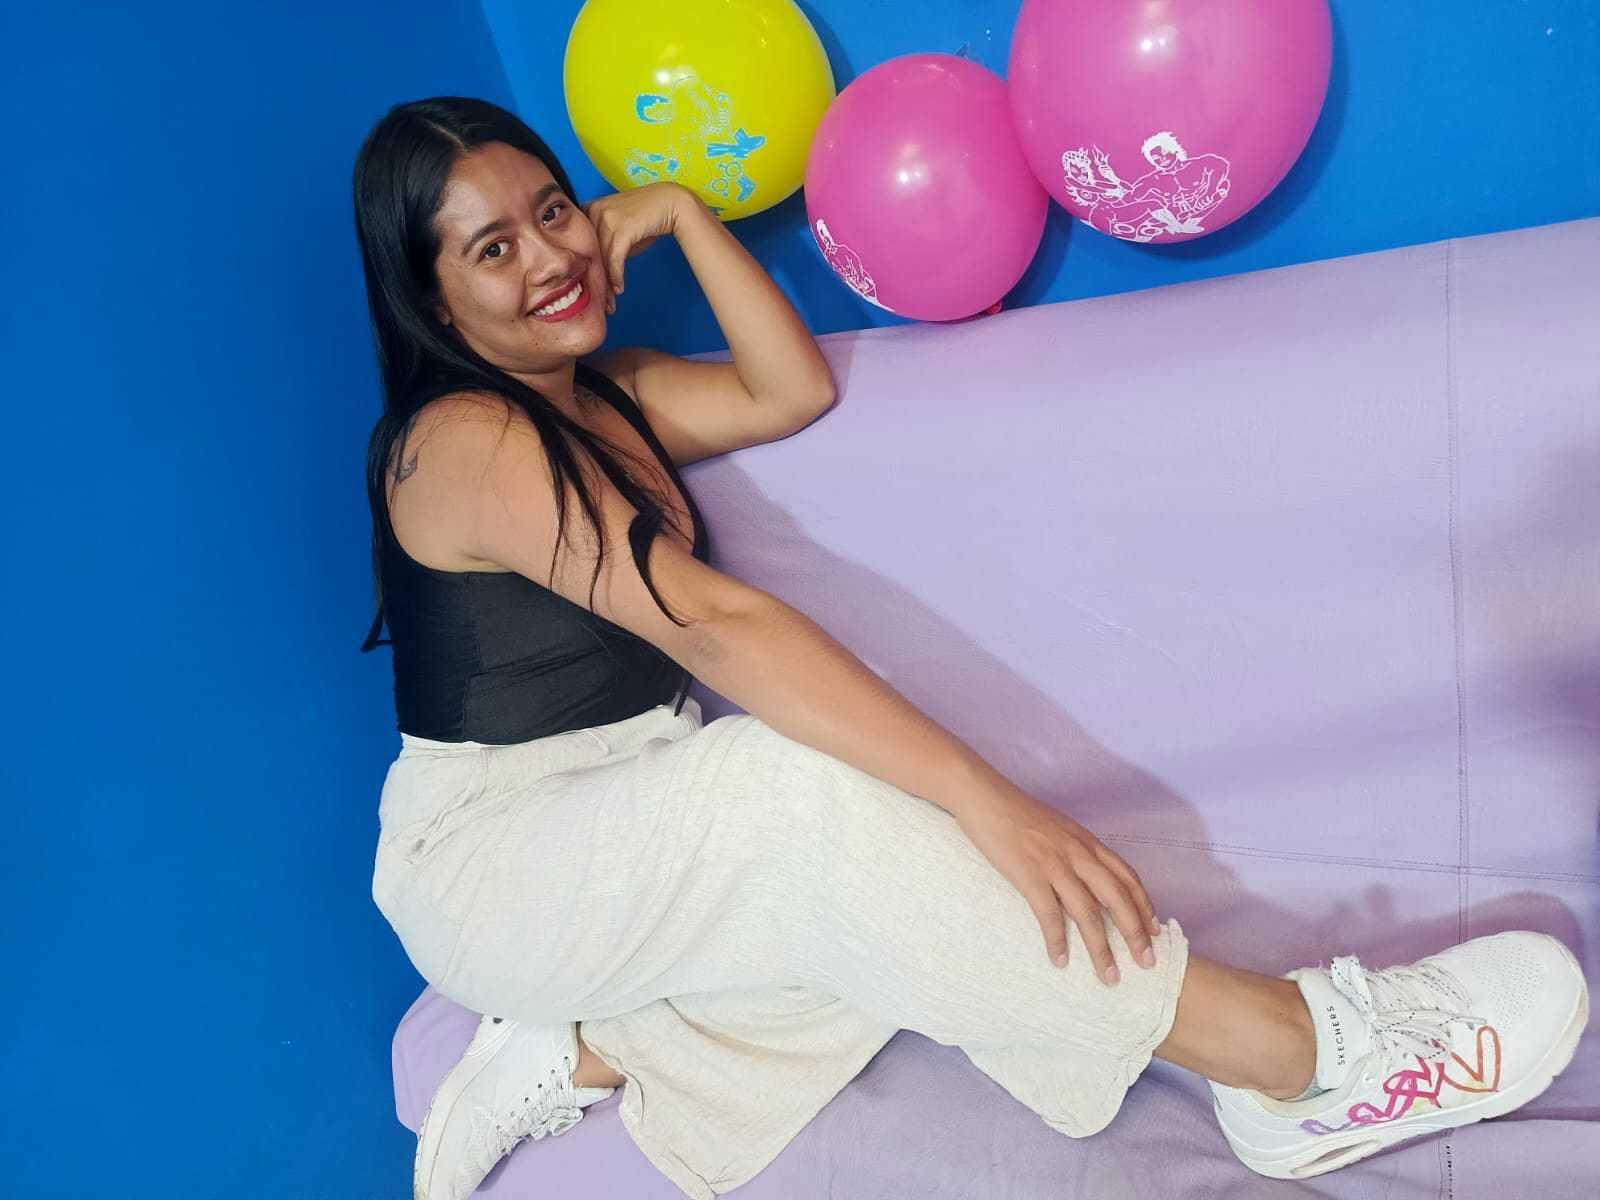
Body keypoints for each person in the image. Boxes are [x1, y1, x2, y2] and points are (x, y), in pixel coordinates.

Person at [351, 97, 1589, 1200]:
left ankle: (579, 1048)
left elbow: (789, 390)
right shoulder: (457, 440)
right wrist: (991, 804)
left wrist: (677, 209)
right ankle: (1289, 1060)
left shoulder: (608, 396)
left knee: (887, 919)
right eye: (493, 249)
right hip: (497, 856)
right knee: (806, 799)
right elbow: (715, 624)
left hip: (628, 816)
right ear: (432, 299)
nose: (553, 256)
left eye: (553, 210)